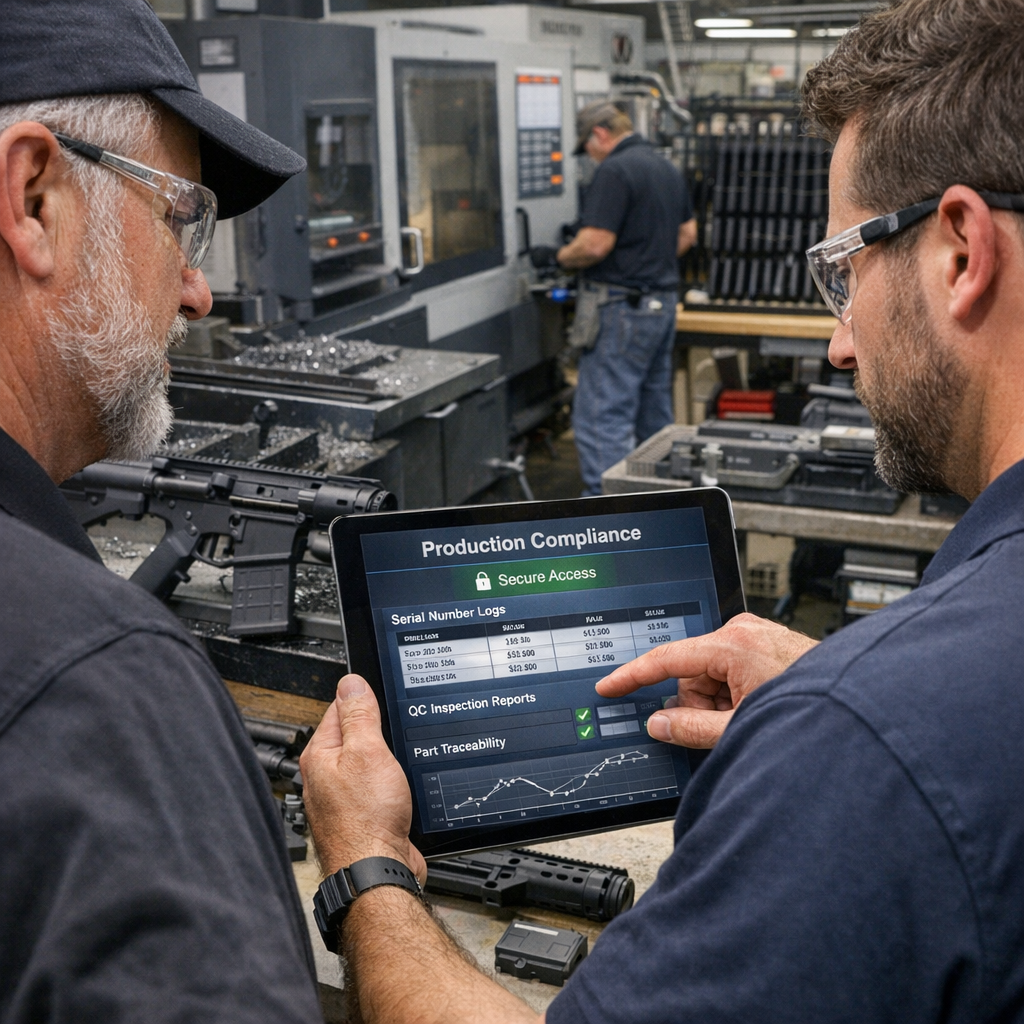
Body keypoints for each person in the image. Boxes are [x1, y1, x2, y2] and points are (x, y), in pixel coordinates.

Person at [300, 1, 1024, 1020]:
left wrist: (365, 867)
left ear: (960, 251)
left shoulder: (869, 749)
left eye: (843, 273)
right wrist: (839, 691)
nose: (838, 346)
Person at [0, 2, 329, 1020]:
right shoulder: (95, 684)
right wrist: (370, 880)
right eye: (182, 216)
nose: (197, 291)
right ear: (34, 197)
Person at [543, 102, 696, 496]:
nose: (589, 156)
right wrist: (646, 262)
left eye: (586, 148)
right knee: (653, 414)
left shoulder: (614, 170)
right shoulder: (664, 166)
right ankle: (660, 502)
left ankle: (610, 511)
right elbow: (687, 235)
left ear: (599, 134)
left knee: (602, 415)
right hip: (661, 306)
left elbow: (594, 244)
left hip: (622, 310)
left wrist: (557, 258)